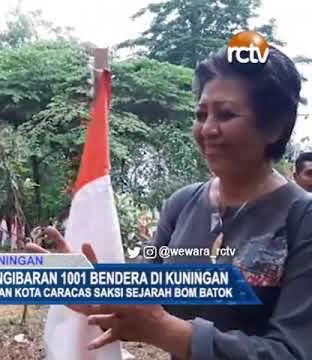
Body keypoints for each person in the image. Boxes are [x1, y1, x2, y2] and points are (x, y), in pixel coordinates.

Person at [28, 45, 312, 360]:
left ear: (275, 126)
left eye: (226, 114)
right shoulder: (183, 203)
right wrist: (96, 290)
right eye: (201, 114)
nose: (207, 129)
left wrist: (166, 330)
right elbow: (147, 291)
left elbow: (291, 351)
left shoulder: (301, 218)